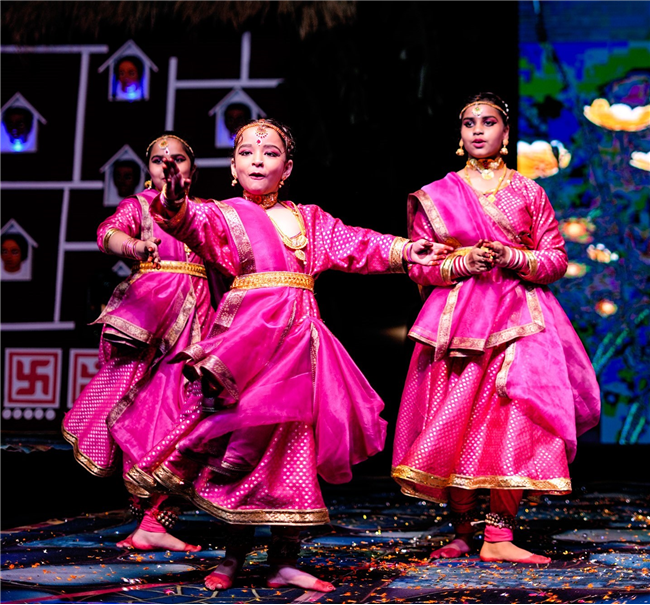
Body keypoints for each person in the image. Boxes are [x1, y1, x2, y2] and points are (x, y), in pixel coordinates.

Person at [143, 118, 452, 592]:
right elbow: (187, 223)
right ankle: (233, 556)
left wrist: (408, 250)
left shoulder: (309, 219)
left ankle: (284, 560)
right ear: (232, 168)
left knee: (293, 448)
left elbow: (357, 244)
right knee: (242, 442)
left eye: (269, 153)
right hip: (248, 341)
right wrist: (172, 200)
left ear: (286, 169)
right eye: (246, 153)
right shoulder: (222, 214)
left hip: (301, 343)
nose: (257, 161)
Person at [391, 92, 601, 564]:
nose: (478, 130)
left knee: (515, 417)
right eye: (469, 123)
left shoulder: (528, 192)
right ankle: (464, 530)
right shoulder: (438, 194)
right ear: (460, 135)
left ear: (505, 134)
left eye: (488, 122)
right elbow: (420, 265)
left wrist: (512, 256)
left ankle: (499, 534)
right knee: (455, 420)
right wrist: (462, 262)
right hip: (457, 324)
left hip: (520, 320)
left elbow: (555, 260)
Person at [62, 133, 216, 552]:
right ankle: (149, 521)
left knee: (186, 414)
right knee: (139, 413)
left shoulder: (206, 212)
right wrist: (135, 246)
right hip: (149, 319)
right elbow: (107, 234)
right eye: (158, 159)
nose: (168, 165)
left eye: (178, 158)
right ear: (149, 170)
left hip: (198, 320)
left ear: (192, 167)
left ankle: (155, 522)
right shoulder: (139, 206)